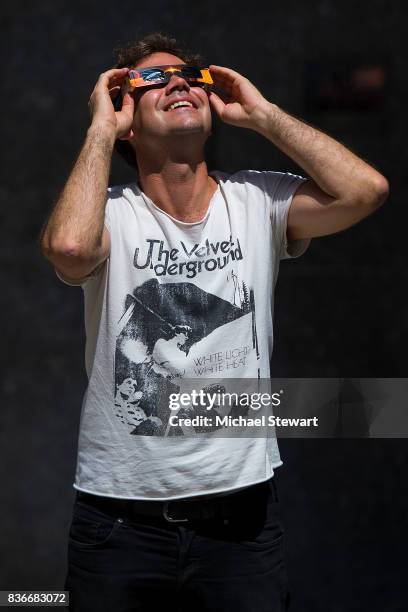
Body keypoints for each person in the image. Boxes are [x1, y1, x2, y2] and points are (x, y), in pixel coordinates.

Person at [40, 32, 388, 611]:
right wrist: (101, 129)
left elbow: (365, 191)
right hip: (120, 522)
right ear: (127, 114)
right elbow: (71, 248)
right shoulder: (111, 215)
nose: (180, 82)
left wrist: (265, 116)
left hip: (242, 522)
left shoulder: (258, 200)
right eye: (154, 79)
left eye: (191, 76)